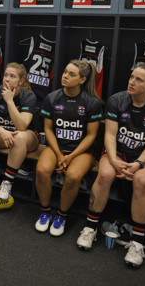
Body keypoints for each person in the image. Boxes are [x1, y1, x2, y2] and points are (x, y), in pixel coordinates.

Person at [76, 63, 145, 268]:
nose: (131, 82)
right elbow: (109, 134)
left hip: (144, 158)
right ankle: (90, 227)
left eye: (139, 79)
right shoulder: (117, 100)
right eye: (131, 77)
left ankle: (138, 242)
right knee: (105, 174)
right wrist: (113, 159)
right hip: (116, 152)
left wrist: (138, 163)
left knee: (143, 181)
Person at [35, 60, 103, 236]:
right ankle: (45, 211)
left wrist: (71, 156)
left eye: (71, 74)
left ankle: (61, 215)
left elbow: (91, 135)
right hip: (57, 146)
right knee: (42, 170)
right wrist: (59, 154)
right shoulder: (52, 98)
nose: (65, 76)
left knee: (73, 176)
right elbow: (48, 129)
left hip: (81, 150)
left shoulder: (92, 103)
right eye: (65, 72)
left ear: (82, 80)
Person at [0, 63, 38, 199]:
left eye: (12, 76)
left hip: (28, 139)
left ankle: (8, 181)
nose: (7, 79)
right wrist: (1, 130)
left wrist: (9, 101)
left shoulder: (29, 95)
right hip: (4, 136)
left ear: (21, 81)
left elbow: (22, 126)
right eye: (5, 75)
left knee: (20, 136)